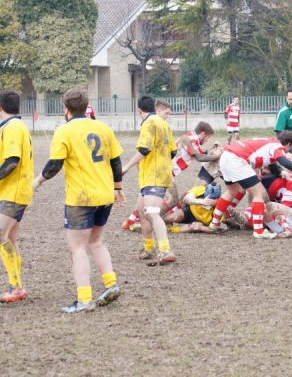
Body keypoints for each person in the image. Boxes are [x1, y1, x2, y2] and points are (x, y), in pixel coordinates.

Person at [33, 87, 124, 313]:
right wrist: (118, 188)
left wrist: (37, 182)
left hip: (81, 198)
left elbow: (55, 164)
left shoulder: (64, 131)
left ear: (66, 109)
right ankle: (111, 284)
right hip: (105, 195)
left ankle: (84, 299)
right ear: (86, 106)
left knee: (77, 248)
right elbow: (116, 162)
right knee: (95, 242)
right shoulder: (103, 128)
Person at [208, 131, 292, 239]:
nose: (287, 152)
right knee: (260, 194)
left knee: (232, 191)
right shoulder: (277, 147)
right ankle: (259, 231)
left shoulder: (269, 142)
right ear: (289, 144)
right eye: (289, 149)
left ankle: (215, 224)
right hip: (237, 160)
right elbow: (285, 162)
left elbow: (272, 162)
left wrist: (280, 171)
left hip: (226, 156)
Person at [121, 121, 222, 230]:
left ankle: (130, 221)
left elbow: (200, 153)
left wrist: (212, 150)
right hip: (163, 170)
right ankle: (146, 221)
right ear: (203, 134)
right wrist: (216, 157)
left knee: (157, 199)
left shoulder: (191, 139)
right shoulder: (189, 139)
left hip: (162, 170)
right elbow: (199, 157)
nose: (207, 140)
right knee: (173, 200)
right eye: (208, 138)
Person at [122, 95, 177, 264]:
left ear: (139, 111)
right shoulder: (163, 124)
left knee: (151, 212)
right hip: (151, 176)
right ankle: (148, 248)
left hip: (154, 175)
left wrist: (126, 167)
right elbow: (173, 151)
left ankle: (165, 250)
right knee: (141, 211)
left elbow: (144, 149)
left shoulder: (149, 123)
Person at [0, 91, 33, 303]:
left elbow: (12, 161)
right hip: (12, 191)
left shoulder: (12, 127)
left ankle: (15, 286)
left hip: (14, 191)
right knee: (9, 238)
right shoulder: (15, 126)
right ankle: (17, 285)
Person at [274, 87, 292, 162]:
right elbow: (279, 133)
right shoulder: (283, 112)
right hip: (287, 145)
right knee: (288, 168)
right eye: (290, 99)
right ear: (286, 98)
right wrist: (283, 150)